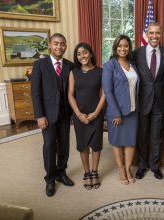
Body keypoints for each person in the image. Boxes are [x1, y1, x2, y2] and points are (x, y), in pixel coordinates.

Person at [31, 33, 75, 197]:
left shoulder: (70, 66)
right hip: (47, 115)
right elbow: (35, 93)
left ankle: (61, 172)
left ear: (65, 46)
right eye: (56, 43)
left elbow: (72, 92)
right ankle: (49, 178)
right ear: (50, 45)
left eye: (62, 44)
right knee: (49, 146)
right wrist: (39, 115)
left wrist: (72, 113)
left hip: (64, 114)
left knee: (64, 145)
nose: (59, 47)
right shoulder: (39, 64)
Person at [132, 22, 164, 180]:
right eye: (151, 33)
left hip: (160, 101)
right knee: (142, 136)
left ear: (161, 35)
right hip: (142, 101)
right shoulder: (136, 53)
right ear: (146, 35)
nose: (154, 36)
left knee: (157, 136)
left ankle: (155, 166)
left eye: (157, 33)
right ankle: (142, 165)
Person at [102, 35, 139, 185]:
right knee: (117, 142)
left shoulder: (132, 64)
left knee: (130, 142)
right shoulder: (109, 65)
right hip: (116, 112)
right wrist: (116, 113)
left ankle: (128, 167)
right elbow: (108, 91)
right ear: (115, 47)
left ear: (129, 48)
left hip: (133, 110)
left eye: (125, 46)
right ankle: (121, 169)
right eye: (119, 46)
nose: (122, 49)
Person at [68, 43, 105, 190]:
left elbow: (105, 93)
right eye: (78, 54)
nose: (82, 56)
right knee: (82, 145)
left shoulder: (100, 71)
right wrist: (78, 114)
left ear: (90, 53)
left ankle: (95, 172)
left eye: (84, 52)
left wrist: (96, 113)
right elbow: (70, 95)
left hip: (96, 112)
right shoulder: (73, 73)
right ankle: (87, 172)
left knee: (96, 145)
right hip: (79, 113)